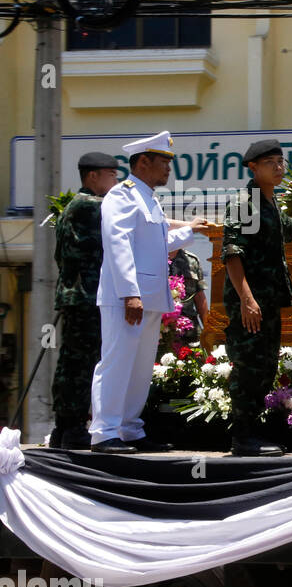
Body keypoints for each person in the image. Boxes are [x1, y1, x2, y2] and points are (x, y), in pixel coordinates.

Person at [89, 131, 199, 454]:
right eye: (163, 162)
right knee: (116, 363)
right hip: (128, 298)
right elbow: (118, 243)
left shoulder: (148, 198)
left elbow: (155, 245)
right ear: (143, 162)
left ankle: (129, 428)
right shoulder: (121, 195)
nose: (168, 168)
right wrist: (129, 293)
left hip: (149, 298)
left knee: (139, 369)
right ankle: (104, 431)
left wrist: (193, 232)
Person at [222, 139, 292, 456]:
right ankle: (242, 438)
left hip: (267, 302)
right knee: (249, 367)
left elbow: (289, 228)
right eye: (271, 162)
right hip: (251, 304)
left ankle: (251, 434)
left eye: (281, 161)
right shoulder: (245, 203)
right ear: (253, 167)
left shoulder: (268, 203)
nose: (279, 167)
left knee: (265, 366)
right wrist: (246, 298)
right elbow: (231, 253)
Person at [49, 152, 119, 449]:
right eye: (112, 175)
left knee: (72, 362)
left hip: (76, 295)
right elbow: (129, 216)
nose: (116, 181)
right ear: (93, 176)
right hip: (86, 296)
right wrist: (187, 225)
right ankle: (73, 426)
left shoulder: (72, 208)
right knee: (83, 364)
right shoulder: (91, 206)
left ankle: (64, 428)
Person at [166, 246, 207, 345]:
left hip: (189, 332)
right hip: (161, 332)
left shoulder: (191, 260)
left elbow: (200, 298)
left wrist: (208, 330)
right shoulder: (151, 259)